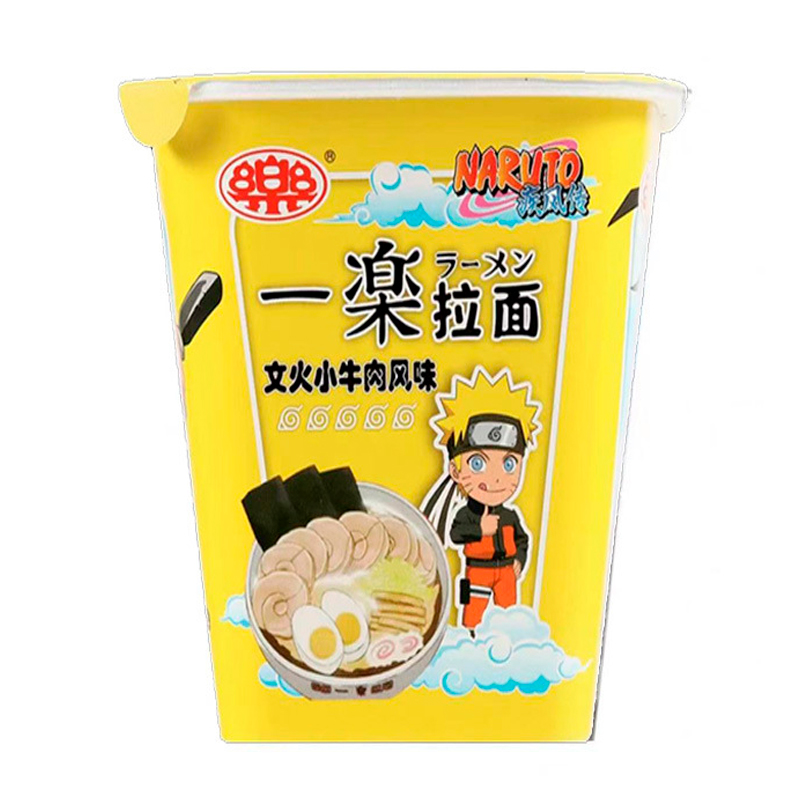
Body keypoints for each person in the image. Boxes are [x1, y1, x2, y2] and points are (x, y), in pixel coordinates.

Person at [422, 367, 540, 631]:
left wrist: (520, 559)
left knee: (509, 620)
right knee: (471, 619)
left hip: (507, 572)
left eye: (509, 464)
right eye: (478, 463)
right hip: (477, 571)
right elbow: (456, 534)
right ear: (455, 471)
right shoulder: (465, 514)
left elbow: (522, 538)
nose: (496, 478)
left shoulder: (509, 515)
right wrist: (479, 529)